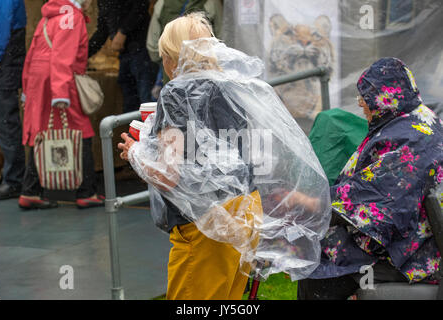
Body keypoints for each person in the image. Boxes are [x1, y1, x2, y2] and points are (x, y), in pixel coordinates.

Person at [118, 12, 331, 299]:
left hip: (205, 223)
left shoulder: (176, 93)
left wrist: (135, 154)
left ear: (173, 56)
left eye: (165, 55)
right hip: (244, 210)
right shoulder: (234, 87)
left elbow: (169, 176)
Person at [297, 57, 443, 300]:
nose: (361, 105)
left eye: (365, 99)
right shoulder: (416, 119)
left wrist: (312, 202)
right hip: (420, 237)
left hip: (412, 255)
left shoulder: (410, 140)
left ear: (386, 99)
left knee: (319, 256)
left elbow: (372, 198)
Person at [19, 0, 104, 209]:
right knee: (81, 131)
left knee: (42, 133)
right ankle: (86, 191)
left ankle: (30, 190)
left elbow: (30, 57)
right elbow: (62, 57)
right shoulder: (71, 18)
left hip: (40, 82)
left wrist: (27, 90)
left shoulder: (48, 18)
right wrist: (61, 94)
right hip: (60, 82)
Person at [88, 0, 158, 113]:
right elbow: (102, 30)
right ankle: (132, 130)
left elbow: (141, 6)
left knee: (146, 100)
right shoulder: (103, 2)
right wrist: (82, 54)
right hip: (124, 54)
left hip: (142, 50)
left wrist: (123, 32)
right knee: (129, 103)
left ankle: (152, 130)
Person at [146, 0, 223, 97]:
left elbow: (152, 47)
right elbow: (222, 39)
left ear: (172, 62)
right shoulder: (222, 91)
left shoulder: (162, 3)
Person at [0, 0, 27, 200]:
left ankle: (14, 180)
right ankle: (13, 177)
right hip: (2, 61)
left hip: (3, 63)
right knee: (3, 122)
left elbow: (0, 30)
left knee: (5, 123)